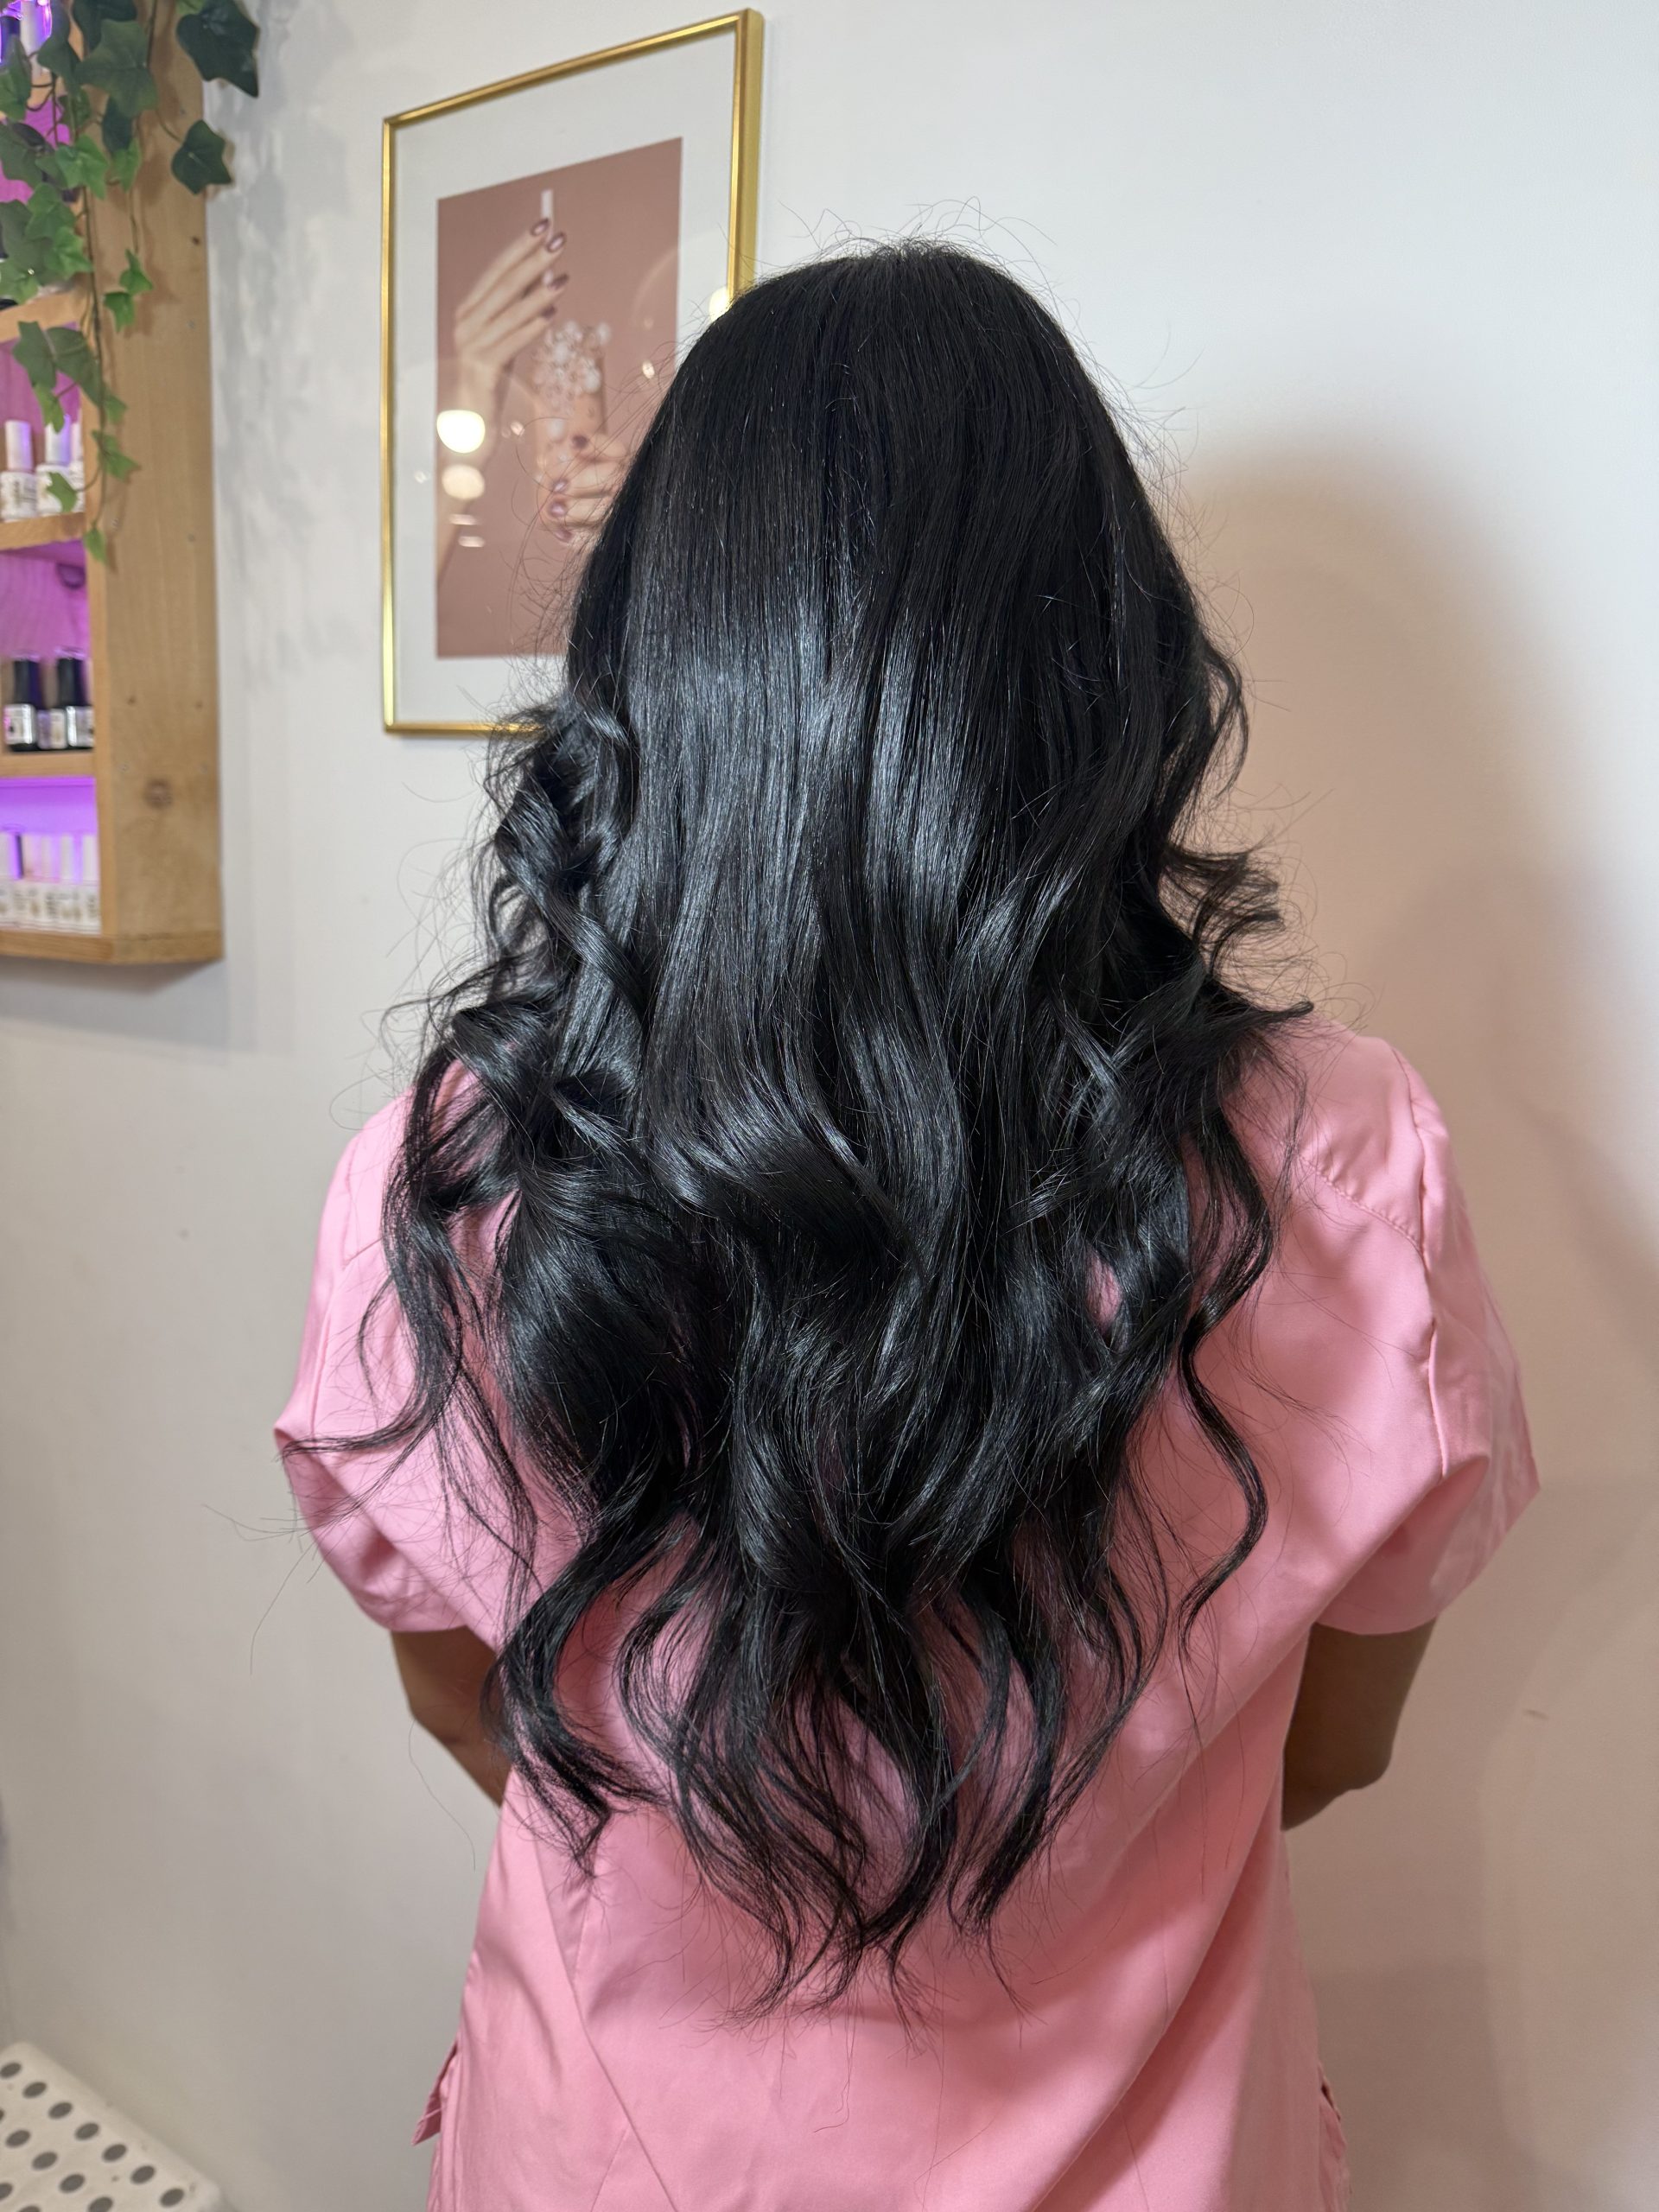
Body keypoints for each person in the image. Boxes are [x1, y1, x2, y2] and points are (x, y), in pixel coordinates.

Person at [277, 241, 1538, 2212]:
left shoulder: (449, 1185)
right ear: (1105, 670)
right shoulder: (1343, 1165)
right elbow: (1333, 1743)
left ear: (652, 675)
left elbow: (470, 1704)